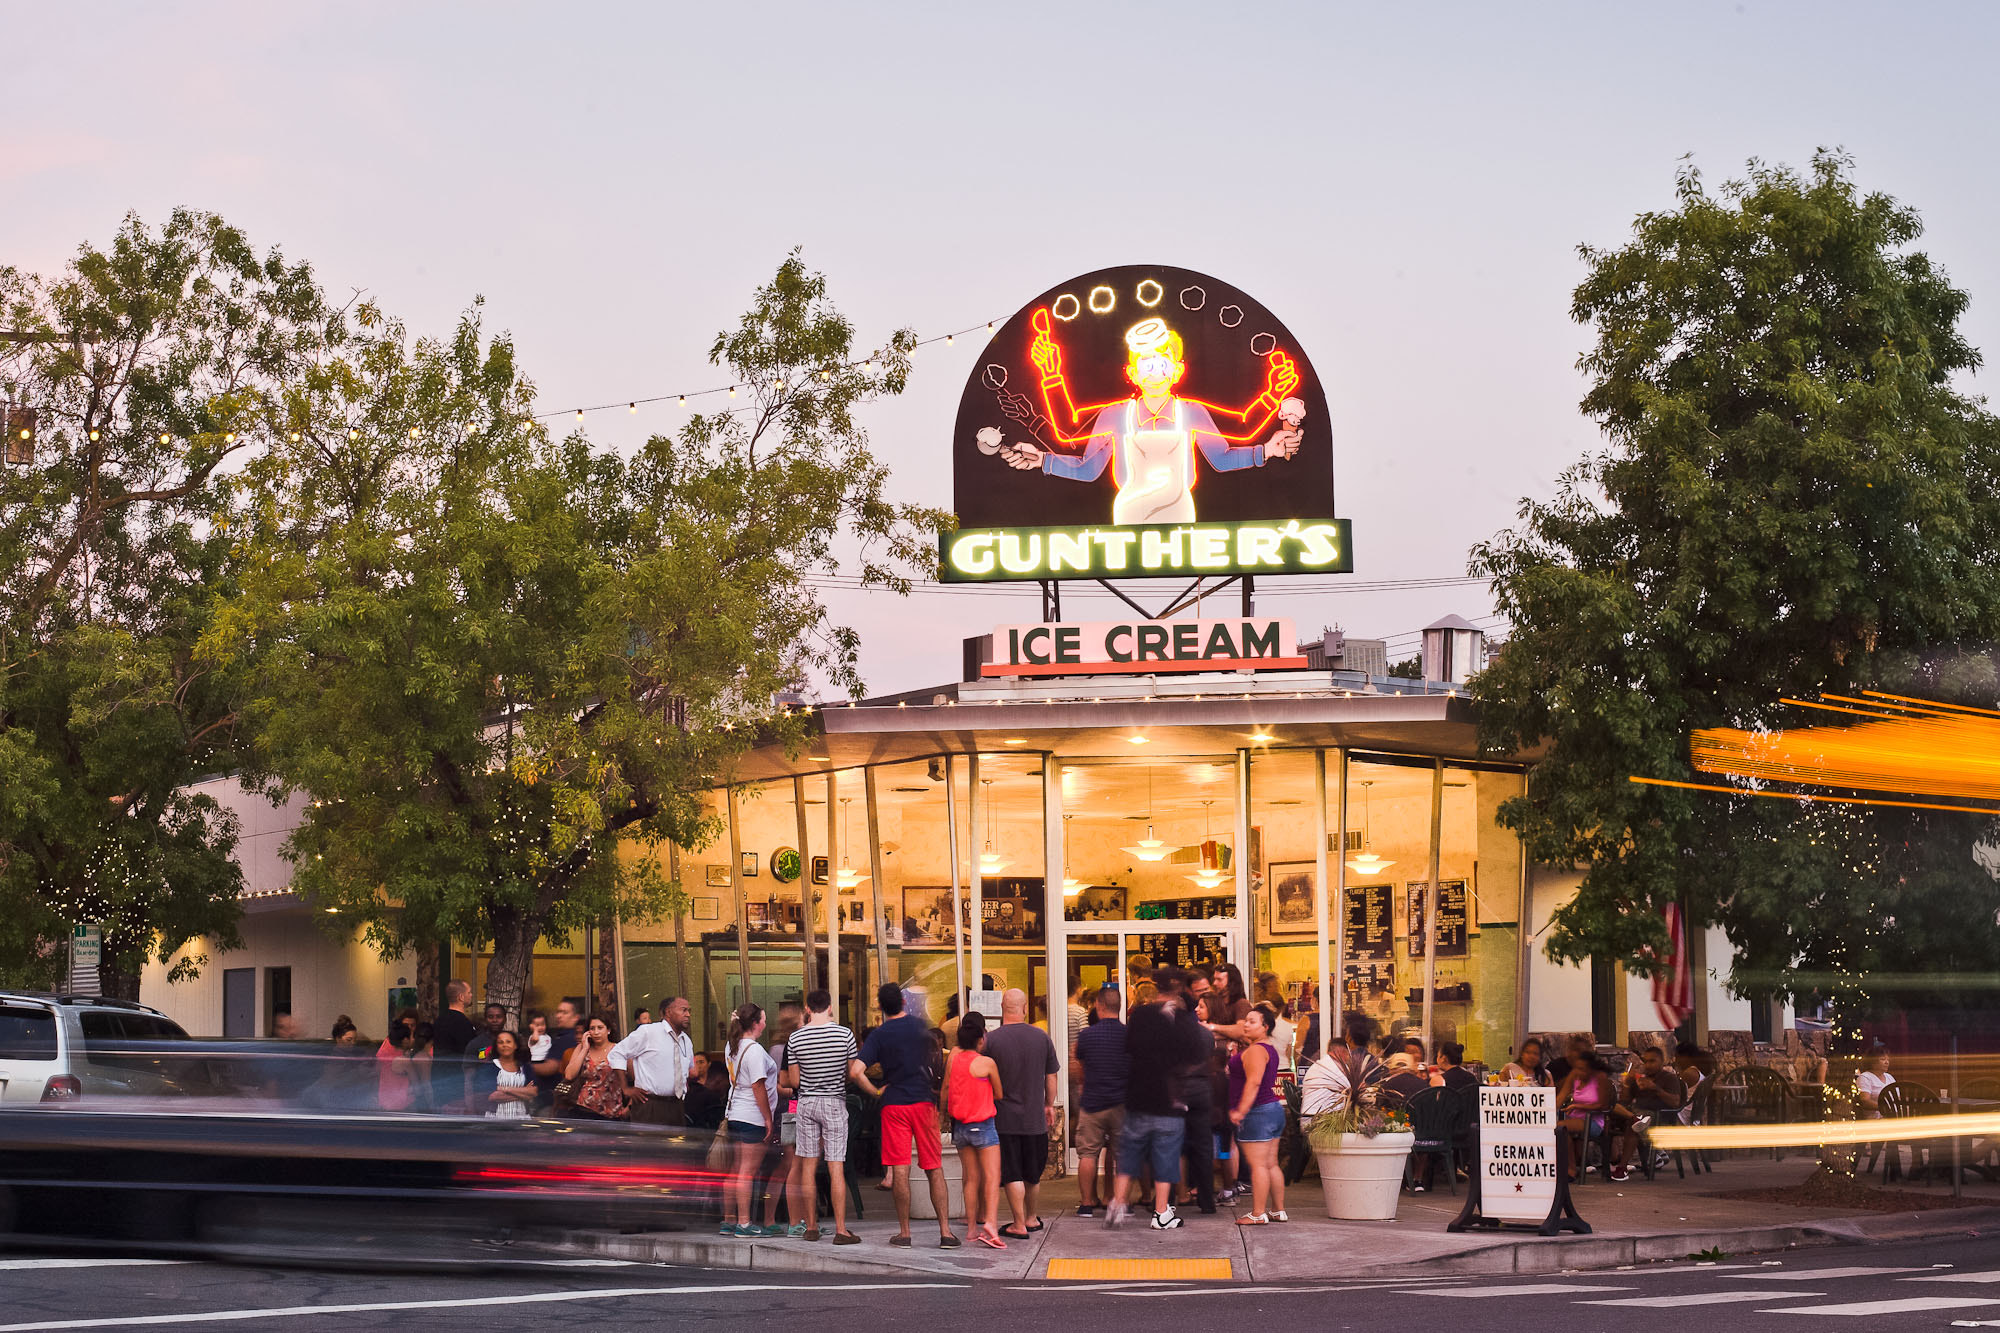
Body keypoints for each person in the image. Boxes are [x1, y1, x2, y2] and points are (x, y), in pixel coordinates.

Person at [857, 983, 959, 1248]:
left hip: (894, 1106)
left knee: (900, 1169)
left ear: (881, 1006)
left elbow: (856, 1071)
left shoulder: (879, 1035)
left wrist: (877, 1091)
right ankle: (946, 1232)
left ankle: (904, 1233)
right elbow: (934, 1056)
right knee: (934, 1167)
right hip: (923, 1103)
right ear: (902, 1002)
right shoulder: (918, 1026)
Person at [1107, 968, 1207, 1230]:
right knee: (1166, 1156)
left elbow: (1128, 1049)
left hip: (1138, 1095)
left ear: (1156, 986)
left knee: (1128, 1154)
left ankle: (1117, 1204)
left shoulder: (1140, 1014)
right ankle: (1162, 1213)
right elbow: (1196, 1054)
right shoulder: (1183, 1019)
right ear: (1180, 990)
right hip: (1169, 1100)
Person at [781, 988, 865, 1244]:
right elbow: (852, 1072)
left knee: (808, 1164)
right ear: (830, 1007)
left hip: (806, 1103)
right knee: (835, 1165)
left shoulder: (796, 1038)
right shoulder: (844, 1034)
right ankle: (840, 1229)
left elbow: (793, 1080)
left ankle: (812, 1227)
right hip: (834, 1102)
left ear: (807, 1009)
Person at [985, 987, 1059, 1241]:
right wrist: (1049, 1105)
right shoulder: (1041, 1037)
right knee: (1032, 1174)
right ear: (1025, 1008)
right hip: (1034, 1119)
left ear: (1002, 1009)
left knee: (1012, 1172)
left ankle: (1018, 1224)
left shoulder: (991, 1041)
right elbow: (1051, 1077)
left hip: (1004, 1119)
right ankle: (1030, 1217)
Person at [946, 1011, 1007, 1250]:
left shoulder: (954, 1059)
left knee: (970, 1179)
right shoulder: (986, 1063)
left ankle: (971, 1228)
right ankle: (990, 1223)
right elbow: (1000, 1093)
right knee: (992, 1177)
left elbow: (949, 1087)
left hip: (960, 1128)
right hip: (983, 1126)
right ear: (981, 1040)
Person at [1070, 985, 1128, 1219]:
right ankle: (1117, 1200)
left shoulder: (1087, 1035)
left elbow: (1080, 1065)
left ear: (1099, 1005)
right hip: (1122, 1103)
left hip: (1092, 1102)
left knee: (1088, 1154)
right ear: (1119, 1006)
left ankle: (1086, 1204)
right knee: (1121, 1154)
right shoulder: (1129, 1034)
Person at [720, 1003, 777, 1237]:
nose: (765, 1022)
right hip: (752, 1116)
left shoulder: (731, 1046)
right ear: (755, 1024)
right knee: (747, 1172)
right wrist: (767, 1117)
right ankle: (744, 1223)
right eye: (763, 1018)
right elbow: (758, 1085)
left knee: (735, 1170)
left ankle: (729, 1220)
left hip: (734, 1113)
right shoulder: (753, 1050)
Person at [1229, 1005, 1288, 1225]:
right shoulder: (1268, 1048)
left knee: (1258, 1166)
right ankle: (1277, 1210)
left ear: (1265, 1027)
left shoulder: (1255, 1050)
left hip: (1258, 1112)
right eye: (1246, 1020)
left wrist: (1241, 1111)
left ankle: (1258, 1213)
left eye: (1252, 1021)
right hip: (1272, 1109)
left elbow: (1253, 1082)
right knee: (1271, 1163)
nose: (1246, 1024)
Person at [610, 994, 695, 1126]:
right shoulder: (649, 1032)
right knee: (648, 1145)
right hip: (649, 1104)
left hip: (676, 1106)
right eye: (683, 1010)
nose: (688, 1014)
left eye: (689, 1011)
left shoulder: (686, 1041)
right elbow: (617, 1053)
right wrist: (626, 1088)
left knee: (676, 1146)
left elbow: (687, 1070)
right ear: (668, 1012)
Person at [1608, 1045, 1684, 1180]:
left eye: (1652, 1061)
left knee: (1634, 1126)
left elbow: (1675, 1102)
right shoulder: (1641, 1077)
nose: (1648, 1065)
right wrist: (1627, 1084)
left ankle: (1622, 1168)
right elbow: (1625, 1100)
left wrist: (1655, 1088)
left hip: (1658, 1115)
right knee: (1609, 1110)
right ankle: (1610, 1161)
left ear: (1661, 1061)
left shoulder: (1669, 1078)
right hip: (1636, 1112)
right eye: (1646, 1061)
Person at [1557, 1048, 1616, 1180]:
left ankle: (1571, 1170)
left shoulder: (1600, 1078)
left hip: (1594, 1121)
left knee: (1560, 1127)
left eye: (1583, 1069)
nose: (1579, 1072)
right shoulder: (1575, 1075)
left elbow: (1603, 1105)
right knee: (1559, 1130)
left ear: (1591, 1069)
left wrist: (1578, 1105)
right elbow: (1561, 1097)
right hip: (1573, 1118)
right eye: (1577, 1068)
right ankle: (1568, 1167)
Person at [562, 1015, 629, 1122]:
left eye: (600, 1028)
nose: (596, 1032)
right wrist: (585, 1048)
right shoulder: (582, 1048)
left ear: (608, 1030)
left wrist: (629, 1108)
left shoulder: (619, 1050)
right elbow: (569, 1075)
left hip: (611, 1112)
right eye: (592, 1028)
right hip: (584, 1109)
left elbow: (637, 1079)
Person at [430, 980, 478, 1112]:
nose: (471, 995)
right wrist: (487, 1052)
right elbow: (470, 1052)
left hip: (439, 1079)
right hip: (457, 1082)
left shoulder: (440, 1020)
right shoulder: (462, 1023)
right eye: (469, 992)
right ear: (461, 997)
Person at [530, 998, 583, 1107]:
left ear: (576, 1017)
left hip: (554, 1102)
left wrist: (524, 1067)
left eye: (564, 1012)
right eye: (558, 1012)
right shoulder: (559, 1037)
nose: (558, 1016)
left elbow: (552, 1067)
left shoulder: (569, 1039)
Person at [480, 1030, 536, 1120]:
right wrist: (524, 1093)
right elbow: (493, 1096)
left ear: (515, 1045)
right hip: (495, 1119)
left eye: (508, 1042)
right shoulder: (490, 1067)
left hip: (521, 1118)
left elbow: (533, 1092)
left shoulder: (525, 1067)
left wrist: (503, 1088)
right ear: (496, 1046)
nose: (504, 1045)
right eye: (500, 1042)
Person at [376, 1020, 416, 1112]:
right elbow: (416, 1082)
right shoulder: (404, 1060)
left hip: (384, 1102)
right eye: (412, 1036)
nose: (414, 1039)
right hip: (400, 1104)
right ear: (405, 1040)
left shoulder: (385, 1054)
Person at [1856, 1045, 1895, 1117]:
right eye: (1883, 1059)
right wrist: (1884, 1108)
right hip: (1876, 1120)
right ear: (1872, 1061)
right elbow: (1865, 1101)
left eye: (1888, 1060)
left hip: (1893, 1117)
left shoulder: (1889, 1077)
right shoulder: (1865, 1077)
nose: (1887, 1062)